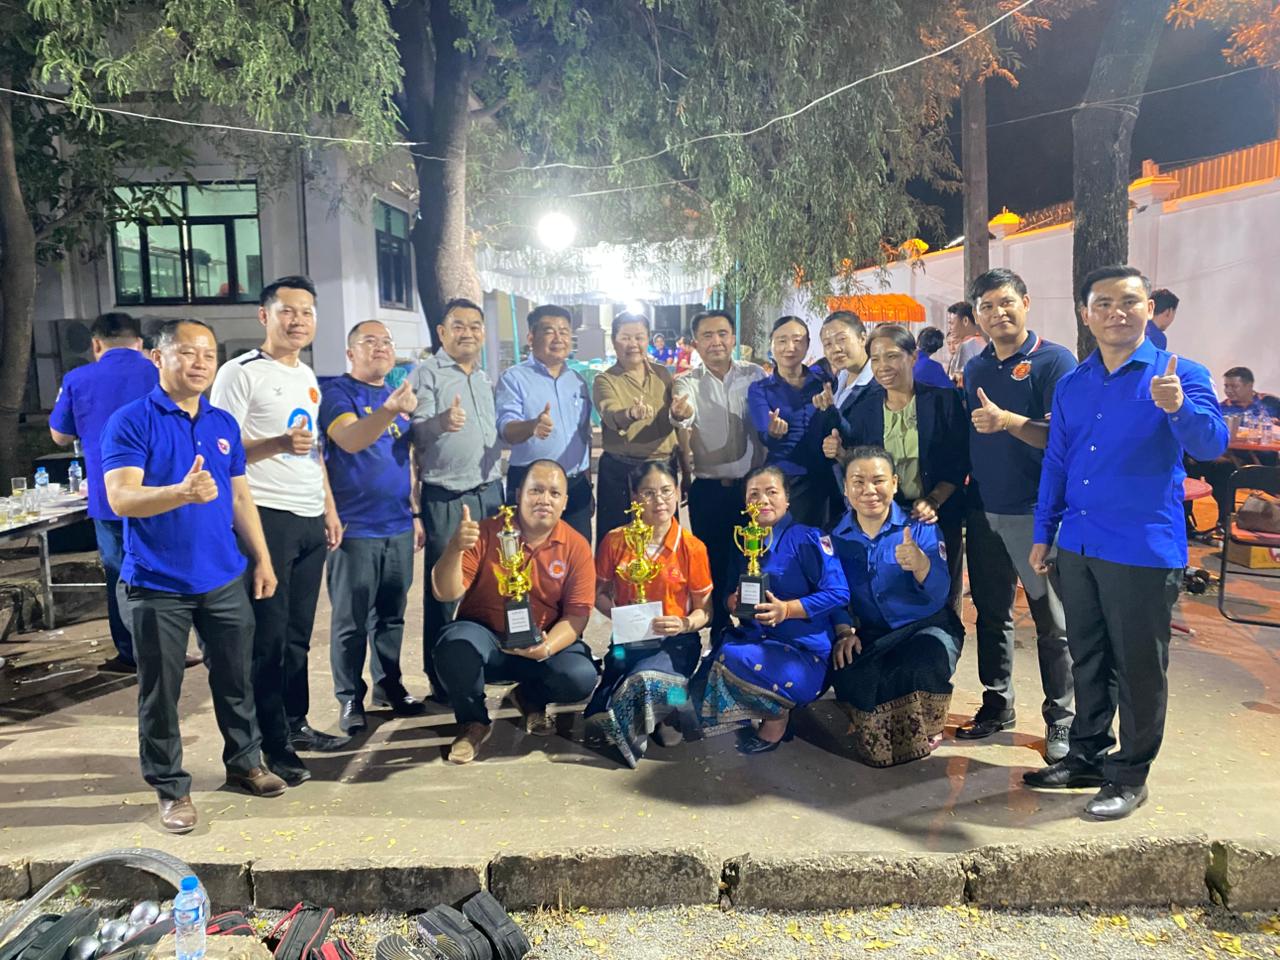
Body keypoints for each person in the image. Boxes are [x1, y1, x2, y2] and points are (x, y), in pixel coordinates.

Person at [1025, 265, 1227, 820]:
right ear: (1086, 315)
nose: (1117, 313)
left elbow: (1212, 445)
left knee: (1138, 665)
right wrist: (1044, 532)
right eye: (1104, 304)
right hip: (1079, 544)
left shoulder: (1180, 373)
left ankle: (1131, 773)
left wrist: (1179, 408)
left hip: (1141, 548)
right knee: (1089, 655)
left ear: (1149, 309)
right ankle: (1088, 755)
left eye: (1130, 302)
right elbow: (1058, 462)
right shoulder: (1073, 384)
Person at [101, 319, 287, 834]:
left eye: (208, 353)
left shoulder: (222, 423)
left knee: (236, 677)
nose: (201, 362)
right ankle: (171, 787)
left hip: (223, 577)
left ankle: (245, 762)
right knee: (161, 692)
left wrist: (262, 559)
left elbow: (241, 497)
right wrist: (180, 493)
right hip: (156, 582)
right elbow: (121, 498)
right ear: (157, 358)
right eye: (187, 352)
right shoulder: (131, 422)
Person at [210, 275, 348, 788]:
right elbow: (221, 449)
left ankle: (294, 723)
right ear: (264, 316)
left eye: (307, 312)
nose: (298, 321)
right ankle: (269, 745)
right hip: (265, 516)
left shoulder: (306, 375)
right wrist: (276, 444)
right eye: (287, 311)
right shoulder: (239, 372)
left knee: (296, 636)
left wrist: (328, 507)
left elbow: (312, 451)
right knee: (266, 639)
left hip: (308, 516)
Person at [956, 268, 1078, 761]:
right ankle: (997, 703)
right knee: (992, 615)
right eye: (986, 306)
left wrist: (1008, 421)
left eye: (1005, 302)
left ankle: (1062, 719)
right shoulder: (977, 367)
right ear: (977, 316)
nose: (997, 313)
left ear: (1025, 303)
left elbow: (1063, 436)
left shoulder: (1055, 361)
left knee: (1053, 623)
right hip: (985, 511)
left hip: (1037, 515)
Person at [430, 460, 599, 764]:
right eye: (536, 490)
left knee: (581, 675)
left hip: (541, 642)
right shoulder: (487, 532)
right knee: (454, 646)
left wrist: (546, 647)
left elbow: (577, 615)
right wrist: (454, 548)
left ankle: (529, 697)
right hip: (487, 640)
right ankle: (473, 722)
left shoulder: (576, 545)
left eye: (554, 493)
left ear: (564, 502)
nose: (544, 500)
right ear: (518, 494)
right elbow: (445, 592)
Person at [695, 466, 850, 754]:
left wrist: (787, 610)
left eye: (771, 492)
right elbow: (728, 594)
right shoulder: (743, 542)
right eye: (754, 494)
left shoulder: (809, 538)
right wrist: (734, 602)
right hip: (755, 639)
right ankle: (762, 706)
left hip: (804, 651)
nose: (762, 500)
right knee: (702, 680)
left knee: (730, 659)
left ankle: (777, 719)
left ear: (787, 500)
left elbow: (838, 593)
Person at [319, 321, 426, 735]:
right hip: (355, 527)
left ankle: (389, 685)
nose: (380, 347)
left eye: (386, 342)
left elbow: (408, 461)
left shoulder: (393, 397)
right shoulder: (337, 394)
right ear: (351, 353)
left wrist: (415, 513)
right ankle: (349, 697)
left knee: (391, 615)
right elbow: (349, 439)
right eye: (369, 341)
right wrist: (390, 411)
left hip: (397, 524)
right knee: (350, 620)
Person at [829, 447, 963, 767]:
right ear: (846, 488)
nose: (869, 490)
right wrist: (844, 631)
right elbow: (833, 594)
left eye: (878, 480)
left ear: (894, 483)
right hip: (874, 632)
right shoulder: (836, 536)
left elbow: (940, 592)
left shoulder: (920, 527)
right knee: (847, 671)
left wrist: (921, 565)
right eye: (858, 482)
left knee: (922, 662)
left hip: (926, 625)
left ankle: (928, 726)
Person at [826, 324, 969, 612]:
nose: (883, 366)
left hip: (937, 516)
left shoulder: (944, 401)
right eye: (875, 359)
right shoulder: (864, 409)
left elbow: (959, 461)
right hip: (884, 521)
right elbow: (861, 461)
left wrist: (934, 500)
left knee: (941, 598)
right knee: (890, 597)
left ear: (913, 357)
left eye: (892, 356)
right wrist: (841, 454)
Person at [49, 312, 159, 673]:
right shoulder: (160, 370)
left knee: (120, 575)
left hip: (108, 496)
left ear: (96, 344)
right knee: (165, 570)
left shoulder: (77, 378)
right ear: (139, 342)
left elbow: (60, 436)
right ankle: (167, 649)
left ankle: (131, 654)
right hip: (163, 495)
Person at [586, 461, 712, 767]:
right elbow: (597, 594)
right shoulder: (615, 540)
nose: (659, 501)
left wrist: (683, 623)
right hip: (628, 641)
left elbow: (705, 610)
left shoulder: (692, 547)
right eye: (649, 493)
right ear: (634, 497)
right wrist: (621, 614)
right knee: (600, 710)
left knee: (643, 681)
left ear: (677, 492)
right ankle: (669, 708)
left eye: (666, 491)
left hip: (676, 643)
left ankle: (674, 704)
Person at [410, 298, 505, 700]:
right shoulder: (427, 374)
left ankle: (482, 662)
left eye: (475, 325)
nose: (468, 333)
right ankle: (443, 678)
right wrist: (442, 421)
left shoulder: (483, 377)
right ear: (442, 332)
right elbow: (416, 433)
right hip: (448, 496)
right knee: (444, 587)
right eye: (459, 325)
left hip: (490, 492)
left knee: (489, 583)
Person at [671, 310, 765, 644]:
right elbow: (683, 414)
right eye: (707, 335)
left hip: (752, 491)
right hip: (710, 489)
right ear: (695, 342)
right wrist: (680, 414)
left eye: (723, 333)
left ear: (733, 338)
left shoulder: (754, 375)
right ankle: (719, 631)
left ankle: (755, 628)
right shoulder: (687, 381)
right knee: (712, 560)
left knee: (753, 560)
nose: (716, 342)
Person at [496, 304, 594, 544]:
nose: (559, 338)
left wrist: (588, 483)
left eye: (564, 331)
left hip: (575, 485)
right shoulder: (514, 378)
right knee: (528, 556)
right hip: (532, 485)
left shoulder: (577, 380)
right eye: (549, 331)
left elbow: (584, 435)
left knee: (576, 552)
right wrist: (532, 426)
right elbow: (506, 429)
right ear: (531, 337)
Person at [592, 312, 678, 538]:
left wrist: (686, 473)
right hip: (622, 472)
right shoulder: (605, 380)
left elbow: (677, 423)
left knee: (665, 542)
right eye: (625, 338)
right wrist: (630, 413)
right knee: (618, 543)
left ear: (648, 339)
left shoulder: (663, 374)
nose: (633, 344)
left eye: (639, 337)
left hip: (663, 469)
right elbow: (610, 413)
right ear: (614, 341)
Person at [747, 317, 836, 528]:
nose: (790, 347)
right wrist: (774, 431)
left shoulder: (824, 383)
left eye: (797, 340)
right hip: (784, 480)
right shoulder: (760, 389)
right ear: (771, 344)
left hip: (824, 478)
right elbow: (765, 435)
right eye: (782, 340)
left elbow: (834, 425)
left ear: (807, 344)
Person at [945, 301, 986, 386]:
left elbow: (960, 381)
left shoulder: (967, 345)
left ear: (965, 321)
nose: (950, 328)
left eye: (952, 323)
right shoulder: (982, 342)